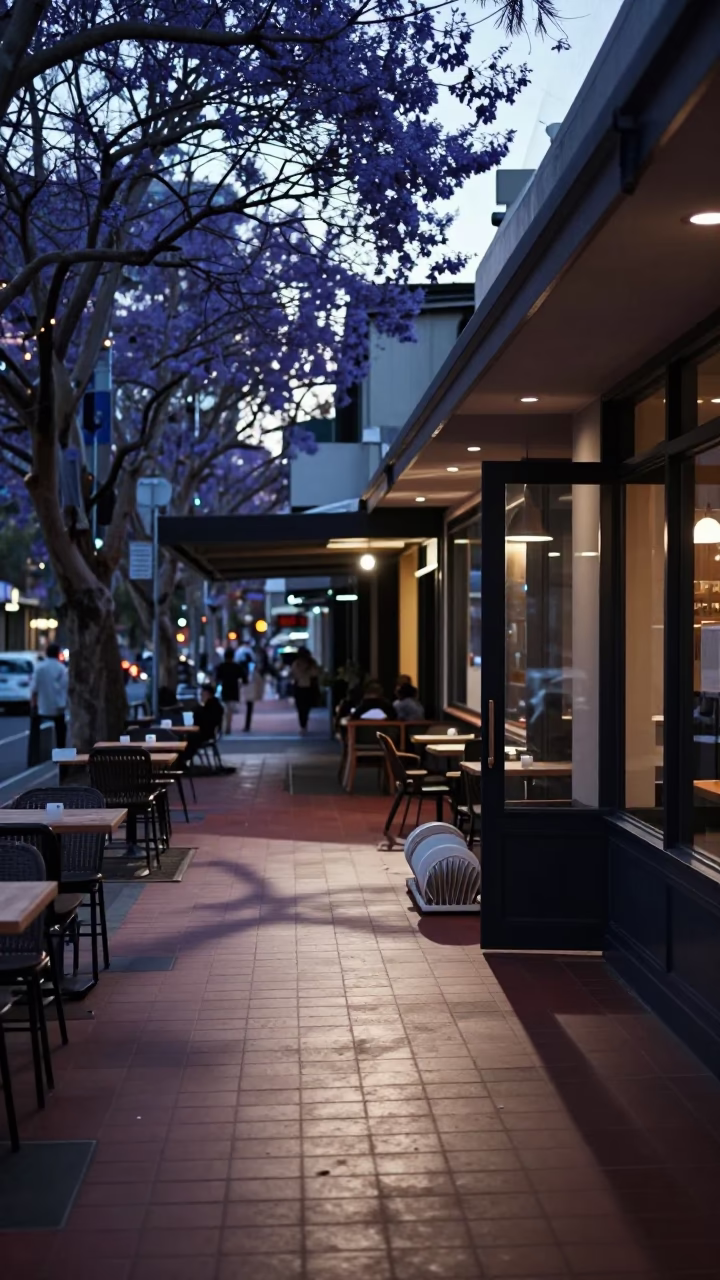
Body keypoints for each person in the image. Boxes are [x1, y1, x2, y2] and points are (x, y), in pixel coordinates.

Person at [30, 642, 68, 749]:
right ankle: (61, 753)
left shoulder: (39, 668)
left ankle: (37, 751)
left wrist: (33, 705)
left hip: (42, 706)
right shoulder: (61, 669)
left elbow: (34, 689)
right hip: (58, 707)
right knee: (61, 732)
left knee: (37, 731)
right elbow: (66, 687)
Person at [188, 683, 224, 758]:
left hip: (206, 734)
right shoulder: (209, 706)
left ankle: (184, 760)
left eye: (202, 694)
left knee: (188, 740)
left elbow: (204, 722)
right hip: (205, 733)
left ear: (208, 694)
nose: (201, 697)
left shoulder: (213, 707)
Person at [215, 646, 244, 734]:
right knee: (230, 709)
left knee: (225, 708)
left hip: (225, 688)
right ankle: (228, 726)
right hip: (234, 689)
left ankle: (224, 726)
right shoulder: (237, 666)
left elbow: (217, 678)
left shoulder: (221, 666)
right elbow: (243, 678)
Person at [290, 646, 318, 732]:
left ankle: (303, 724)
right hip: (306, 687)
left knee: (301, 707)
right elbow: (315, 674)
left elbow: (293, 674)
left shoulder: (298, 663)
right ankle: (303, 724)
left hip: (301, 687)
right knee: (304, 707)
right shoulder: (310, 663)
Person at [241, 660, 265, 732]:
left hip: (250, 693)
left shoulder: (252, 674)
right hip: (249, 693)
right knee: (249, 709)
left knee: (249, 709)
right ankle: (247, 725)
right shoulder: (251, 674)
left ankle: (247, 725)